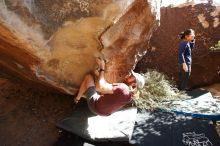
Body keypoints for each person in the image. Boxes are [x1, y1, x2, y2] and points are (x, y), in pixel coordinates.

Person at [74, 58, 145, 116]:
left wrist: (102, 68)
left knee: (88, 77)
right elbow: (105, 87)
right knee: (97, 86)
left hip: (95, 106)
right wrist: (100, 75)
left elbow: (100, 88)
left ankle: (77, 99)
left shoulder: (123, 88)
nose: (129, 75)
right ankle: (80, 97)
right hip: (104, 113)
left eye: (132, 77)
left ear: (134, 85)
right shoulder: (130, 96)